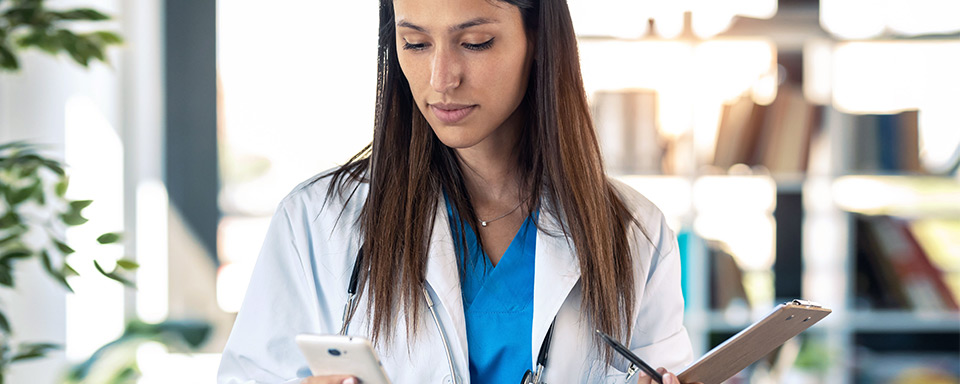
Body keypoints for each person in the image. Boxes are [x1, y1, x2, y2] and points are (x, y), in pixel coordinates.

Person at [218, 0, 694, 383]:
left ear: (539, 41)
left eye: (475, 42)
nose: (441, 79)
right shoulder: (318, 224)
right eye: (415, 43)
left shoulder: (635, 234)